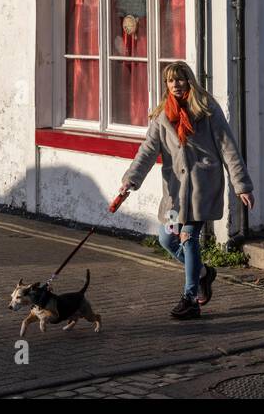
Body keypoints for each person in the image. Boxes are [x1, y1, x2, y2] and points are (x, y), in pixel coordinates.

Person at [108, 61, 253, 319]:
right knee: (166, 239)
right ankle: (203, 274)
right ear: (166, 85)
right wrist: (131, 179)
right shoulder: (162, 116)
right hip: (176, 193)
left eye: (180, 79)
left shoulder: (207, 108)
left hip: (201, 188)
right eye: (170, 80)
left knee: (187, 237)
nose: (176, 84)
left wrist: (241, 184)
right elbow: (147, 152)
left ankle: (190, 298)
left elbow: (228, 147)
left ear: (189, 80)